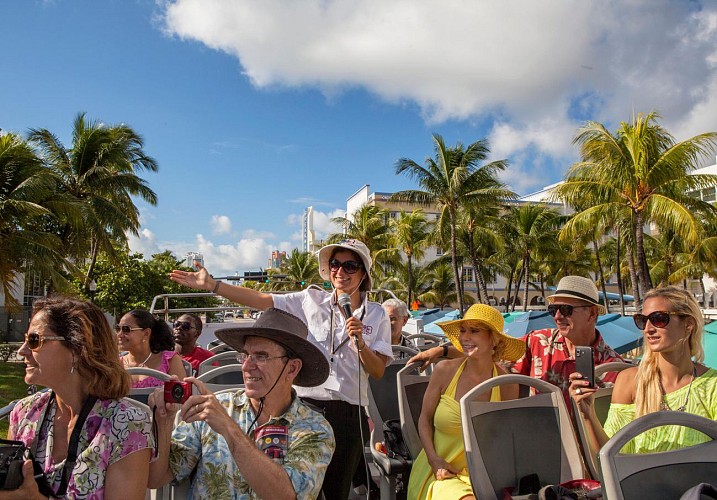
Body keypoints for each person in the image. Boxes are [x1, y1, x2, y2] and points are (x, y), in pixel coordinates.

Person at [169, 238, 392, 499]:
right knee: (284, 482)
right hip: (302, 409)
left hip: (347, 412)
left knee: (335, 491)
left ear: (363, 272)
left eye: (350, 266)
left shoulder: (376, 315)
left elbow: (377, 371)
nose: (340, 272)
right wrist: (213, 285)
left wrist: (361, 344)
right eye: (335, 264)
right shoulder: (309, 300)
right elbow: (262, 299)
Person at [147, 308, 336, 499]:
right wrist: (164, 422)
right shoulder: (213, 408)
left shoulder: (314, 428)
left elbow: (287, 495)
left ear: (292, 368)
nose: (246, 366)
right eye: (245, 356)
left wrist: (229, 429)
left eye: (260, 356)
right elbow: (156, 479)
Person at [6, 296, 153, 499]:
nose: (22, 351)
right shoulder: (24, 413)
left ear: (77, 348)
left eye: (34, 340)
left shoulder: (127, 425)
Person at [409, 276, 623, 406]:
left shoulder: (616, 369)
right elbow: (488, 351)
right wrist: (440, 352)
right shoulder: (539, 342)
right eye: (553, 309)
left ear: (592, 314)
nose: (557, 316)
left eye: (566, 309)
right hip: (536, 442)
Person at [570, 286, 717, 455]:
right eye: (642, 320)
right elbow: (609, 458)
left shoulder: (711, 385)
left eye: (659, 319)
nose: (647, 328)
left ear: (689, 324)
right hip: (639, 481)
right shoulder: (630, 381)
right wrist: (588, 415)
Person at [407, 304, 526, 500]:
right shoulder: (445, 371)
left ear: (494, 340)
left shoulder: (506, 383)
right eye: (463, 331)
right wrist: (434, 460)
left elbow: (505, 439)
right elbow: (424, 420)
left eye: (474, 331)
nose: (465, 337)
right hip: (440, 473)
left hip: (486, 474)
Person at [117, 309, 186, 387]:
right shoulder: (116, 363)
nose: (119, 334)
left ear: (146, 333)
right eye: (118, 329)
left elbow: (181, 396)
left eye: (126, 329)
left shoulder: (170, 360)